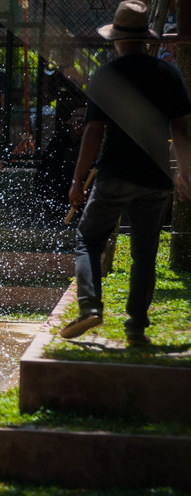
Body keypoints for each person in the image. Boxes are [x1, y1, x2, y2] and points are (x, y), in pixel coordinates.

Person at [61, 0, 191, 346]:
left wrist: (77, 181)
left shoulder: (107, 75)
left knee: (89, 239)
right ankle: (136, 328)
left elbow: (92, 133)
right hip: (156, 179)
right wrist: (185, 175)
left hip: (115, 175)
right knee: (145, 252)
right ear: (146, 39)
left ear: (116, 39)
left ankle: (90, 306)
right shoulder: (168, 74)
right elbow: (180, 130)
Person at [34, 106, 86, 226]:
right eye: (78, 123)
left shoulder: (83, 141)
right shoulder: (61, 139)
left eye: (83, 124)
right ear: (72, 124)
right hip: (53, 181)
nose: (80, 126)